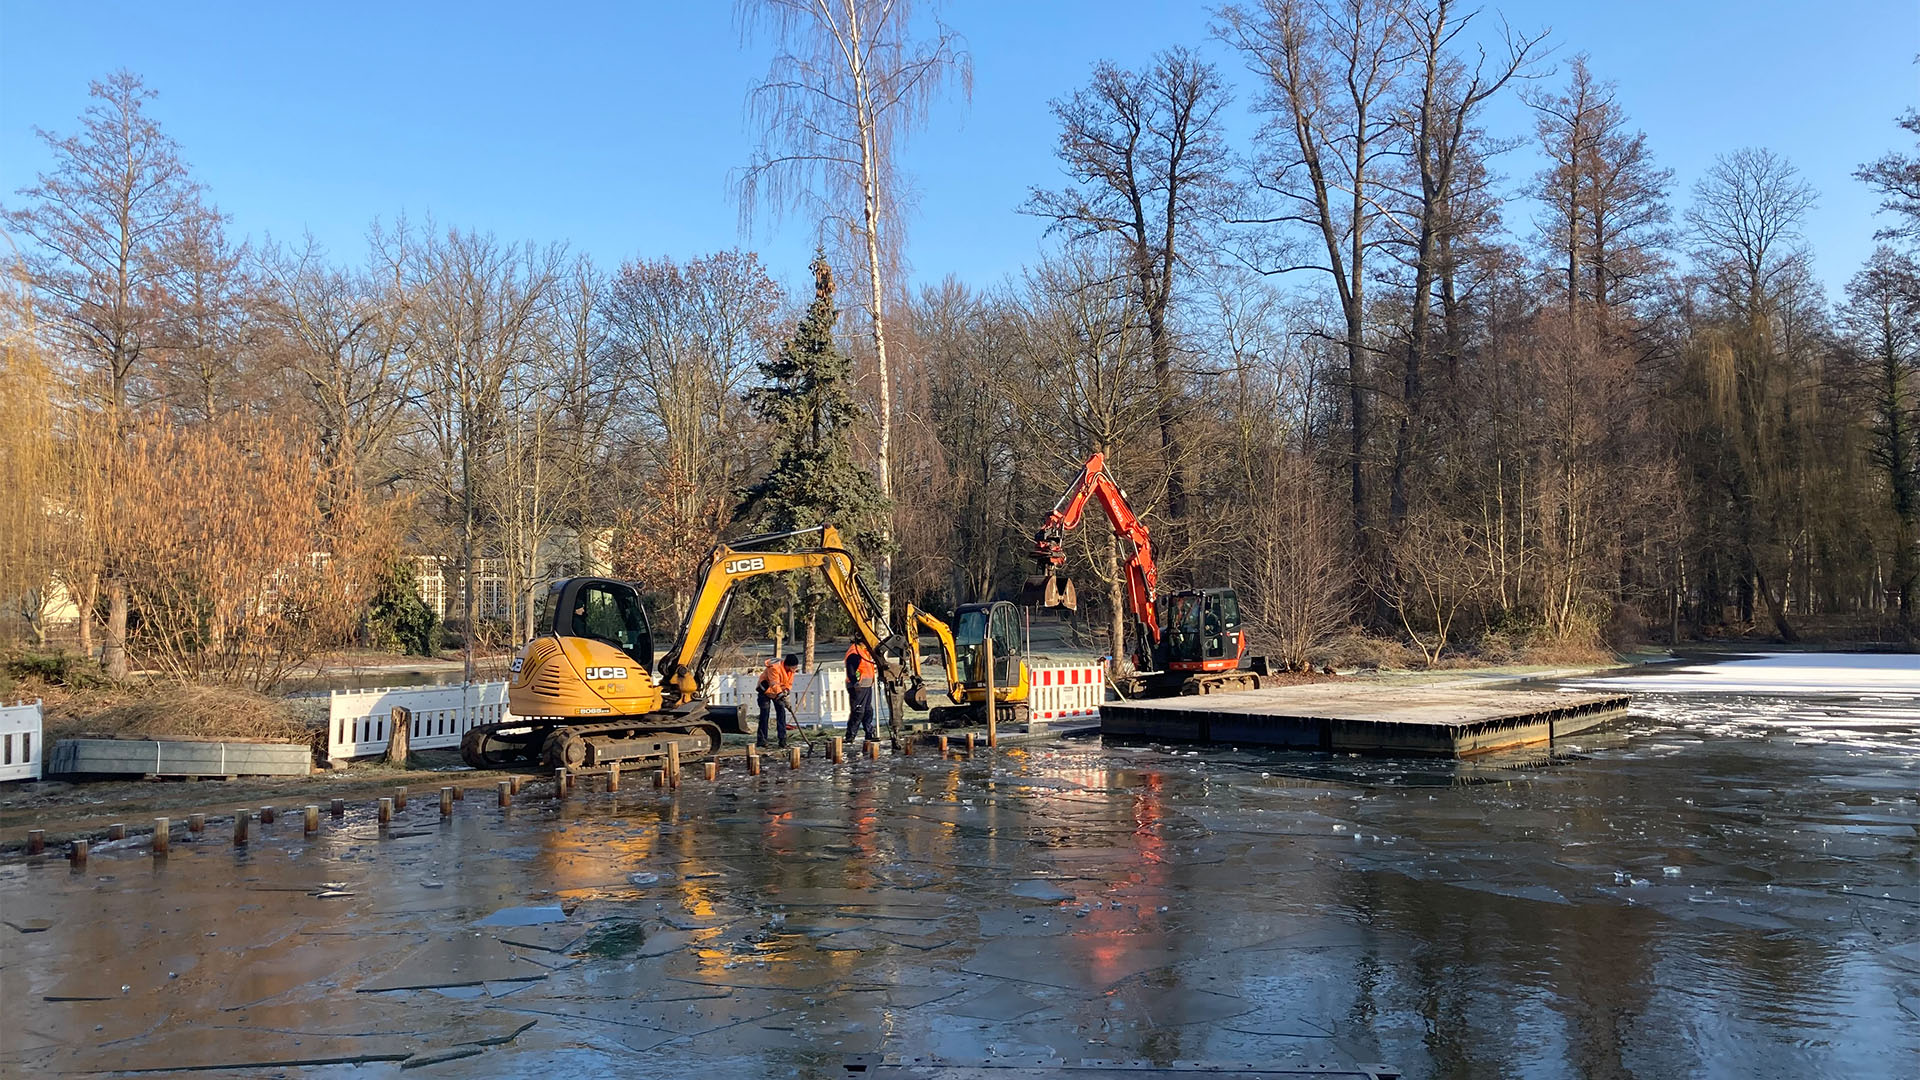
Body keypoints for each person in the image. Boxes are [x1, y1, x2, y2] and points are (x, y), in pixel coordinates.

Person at [757, 654, 799, 749]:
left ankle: (782, 740)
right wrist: (780, 695)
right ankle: (762, 740)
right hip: (765, 690)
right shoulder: (774, 668)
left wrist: (786, 691)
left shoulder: (791, 671)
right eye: (794, 667)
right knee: (764, 714)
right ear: (788, 665)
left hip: (777, 692)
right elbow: (773, 683)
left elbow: (789, 683)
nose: (795, 669)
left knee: (781, 712)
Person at [844, 639, 878, 743]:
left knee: (868, 710)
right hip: (858, 686)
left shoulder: (864, 651)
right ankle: (850, 735)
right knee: (858, 711)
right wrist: (855, 682)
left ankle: (869, 732)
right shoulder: (855, 653)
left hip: (866, 686)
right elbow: (851, 670)